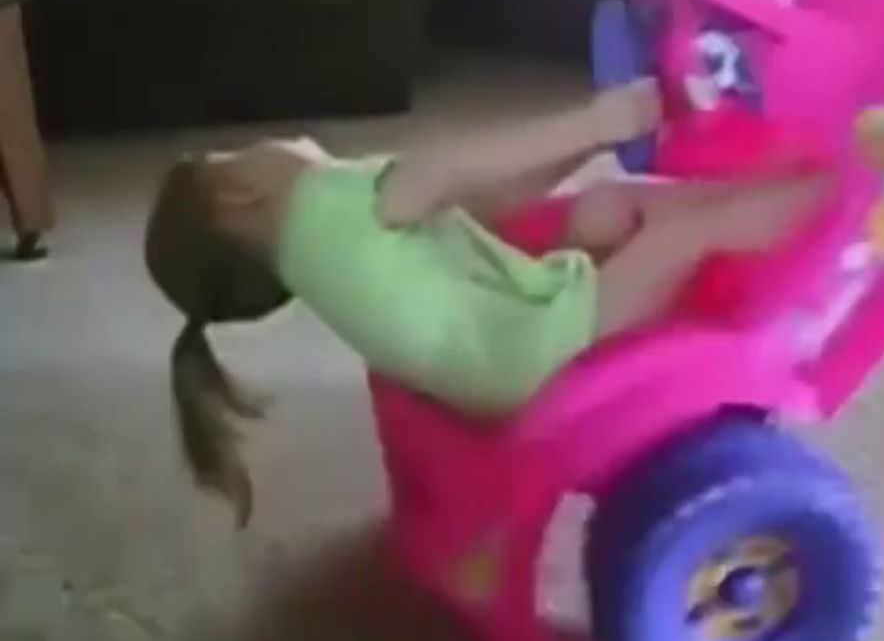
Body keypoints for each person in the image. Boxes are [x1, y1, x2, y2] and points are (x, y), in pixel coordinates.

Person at [145, 79, 828, 525]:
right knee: (684, 230)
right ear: (237, 194)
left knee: (601, 212)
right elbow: (452, 168)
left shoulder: (313, 257)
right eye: (236, 152)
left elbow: (491, 200)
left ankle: (760, 204)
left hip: (495, 367)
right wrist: (599, 120)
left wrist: (588, 149)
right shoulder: (324, 201)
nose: (272, 141)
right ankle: (837, 195)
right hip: (537, 349)